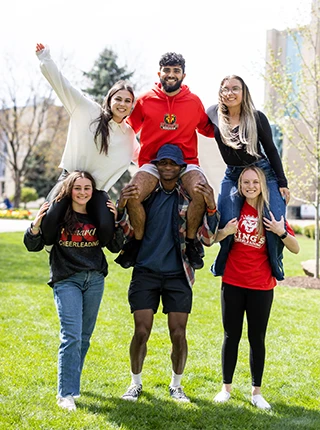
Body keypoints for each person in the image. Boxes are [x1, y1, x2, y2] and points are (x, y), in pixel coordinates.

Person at [115, 144, 219, 403]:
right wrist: (120, 205)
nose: (168, 168)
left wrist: (212, 206)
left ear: (181, 168)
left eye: (173, 164)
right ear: (157, 167)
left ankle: (176, 385)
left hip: (178, 274)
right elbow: (122, 232)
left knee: (178, 333)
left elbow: (208, 238)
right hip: (146, 272)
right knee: (141, 331)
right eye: (163, 164)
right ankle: (135, 383)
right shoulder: (145, 197)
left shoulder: (189, 200)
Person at [23, 171, 126, 411]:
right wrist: (35, 226)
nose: (82, 193)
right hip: (66, 278)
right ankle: (65, 393)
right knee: (71, 335)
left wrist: (115, 221)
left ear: (93, 190)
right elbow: (33, 246)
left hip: (95, 278)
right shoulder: (58, 215)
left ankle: (72, 383)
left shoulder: (98, 214)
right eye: (77, 188)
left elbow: (114, 247)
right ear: (69, 190)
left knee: (84, 337)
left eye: (87, 188)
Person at [35, 43, 140, 246]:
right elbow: (63, 86)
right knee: (49, 225)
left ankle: (91, 260)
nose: (122, 104)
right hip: (70, 180)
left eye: (128, 101)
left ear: (132, 106)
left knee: (106, 229)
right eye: (118, 98)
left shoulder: (129, 134)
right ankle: (60, 253)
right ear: (109, 99)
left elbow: (142, 157)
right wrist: (45, 58)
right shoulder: (88, 111)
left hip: (96, 190)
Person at [213, 166, 299, 410]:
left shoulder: (274, 212)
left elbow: (295, 248)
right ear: (239, 185)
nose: (250, 186)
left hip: (261, 286)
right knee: (231, 336)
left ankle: (256, 392)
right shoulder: (232, 208)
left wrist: (281, 232)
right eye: (245, 182)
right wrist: (225, 231)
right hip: (232, 282)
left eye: (255, 182)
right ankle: (226, 388)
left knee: (256, 338)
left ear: (262, 184)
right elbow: (211, 238)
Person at [121, 52, 215, 269]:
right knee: (133, 194)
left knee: (201, 190)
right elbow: (126, 131)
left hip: (186, 163)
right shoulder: (145, 100)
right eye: (167, 70)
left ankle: (191, 242)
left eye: (176, 71)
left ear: (183, 75)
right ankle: (136, 243)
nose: (171, 75)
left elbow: (208, 129)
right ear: (159, 73)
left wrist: (231, 124)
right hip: (152, 162)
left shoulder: (193, 101)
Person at [206, 75, 290, 281]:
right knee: (226, 220)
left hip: (262, 172)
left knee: (275, 220)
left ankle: (275, 264)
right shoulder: (213, 113)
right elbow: (190, 121)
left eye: (235, 88)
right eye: (225, 89)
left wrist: (282, 183)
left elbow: (271, 150)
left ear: (244, 93)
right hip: (233, 174)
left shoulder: (257, 117)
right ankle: (222, 264)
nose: (230, 93)